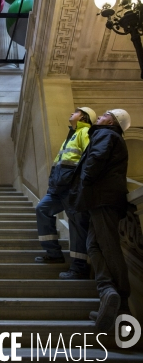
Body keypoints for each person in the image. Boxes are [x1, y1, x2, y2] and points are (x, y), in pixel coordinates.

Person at [68, 109, 131, 332]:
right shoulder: (108, 135)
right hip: (99, 200)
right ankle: (107, 292)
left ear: (112, 121)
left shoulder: (106, 134)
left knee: (108, 246)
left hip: (103, 198)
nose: (101, 116)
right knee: (93, 245)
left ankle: (122, 303)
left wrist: (84, 185)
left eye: (105, 114)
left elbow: (94, 161)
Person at [35, 106, 97, 279]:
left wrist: (80, 185)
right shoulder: (70, 135)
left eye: (76, 111)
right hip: (57, 188)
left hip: (72, 188)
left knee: (77, 224)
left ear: (84, 118)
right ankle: (54, 254)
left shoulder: (85, 132)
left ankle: (79, 267)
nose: (72, 112)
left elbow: (89, 159)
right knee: (42, 209)